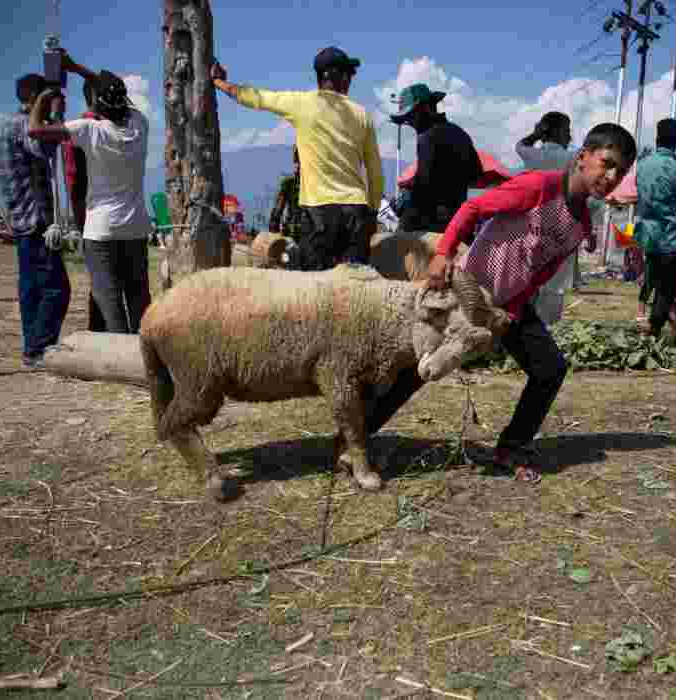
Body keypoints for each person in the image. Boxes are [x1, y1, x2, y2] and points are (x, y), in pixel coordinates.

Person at [364, 123, 636, 485]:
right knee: (417, 368)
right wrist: (443, 254)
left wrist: (512, 309)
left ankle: (511, 447)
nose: (612, 176)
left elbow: (543, 270)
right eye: (607, 163)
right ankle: (354, 439)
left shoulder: (581, 224)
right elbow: (473, 209)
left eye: (621, 171)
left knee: (550, 368)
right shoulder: (539, 187)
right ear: (584, 156)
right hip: (467, 291)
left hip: (507, 306)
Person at [212, 47, 382, 269]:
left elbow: (257, 98)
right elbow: (375, 172)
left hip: (319, 213)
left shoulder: (301, 103)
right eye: (348, 74)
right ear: (335, 76)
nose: (350, 80)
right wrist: (372, 213)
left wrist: (219, 83)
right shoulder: (362, 114)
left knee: (315, 288)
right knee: (356, 290)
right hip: (356, 214)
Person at [29, 54, 153, 334]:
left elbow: (36, 129)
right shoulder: (139, 125)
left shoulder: (89, 130)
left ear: (96, 104)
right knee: (138, 298)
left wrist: (44, 96)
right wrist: (76, 68)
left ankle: (124, 361)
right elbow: (112, 89)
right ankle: (146, 354)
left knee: (109, 300)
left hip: (101, 231)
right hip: (136, 226)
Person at [0, 73, 72, 369]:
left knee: (32, 289)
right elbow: (44, 147)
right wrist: (54, 116)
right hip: (35, 220)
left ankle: (32, 347)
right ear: (37, 98)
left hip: (20, 218)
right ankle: (39, 349)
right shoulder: (22, 126)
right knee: (56, 289)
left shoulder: (5, 125)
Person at [631, 118, 676, 338]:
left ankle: (659, 327)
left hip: (648, 234)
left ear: (657, 139)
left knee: (654, 281)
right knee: (666, 288)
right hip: (670, 236)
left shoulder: (643, 164)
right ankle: (654, 328)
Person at [391, 83, 483, 233]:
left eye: (411, 116)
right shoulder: (459, 133)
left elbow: (423, 184)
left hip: (431, 224)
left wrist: (409, 191)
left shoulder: (427, 137)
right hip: (459, 220)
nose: (410, 123)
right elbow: (476, 174)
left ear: (426, 108)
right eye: (407, 118)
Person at [516, 111, 581, 321]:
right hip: (561, 231)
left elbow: (520, 145)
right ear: (559, 132)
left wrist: (536, 134)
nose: (569, 135)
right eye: (567, 130)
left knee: (528, 284)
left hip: (530, 229)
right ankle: (547, 334)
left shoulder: (533, 155)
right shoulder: (573, 158)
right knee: (554, 287)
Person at [60, 78, 106, 332]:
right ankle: (100, 330)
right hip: (94, 212)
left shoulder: (82, 128)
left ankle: (100, 328)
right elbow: (74, 178)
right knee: (106, 277)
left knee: (102, 276)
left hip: (91, 212)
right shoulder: (86, 128)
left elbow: (71, 178)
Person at [269, 146, 305, 239]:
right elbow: (277, 211)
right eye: (297, 161)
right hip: (294, 231)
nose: (298, 165)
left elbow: (277, 212)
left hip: (300, 231)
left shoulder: (289, 183)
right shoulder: (288, 183)